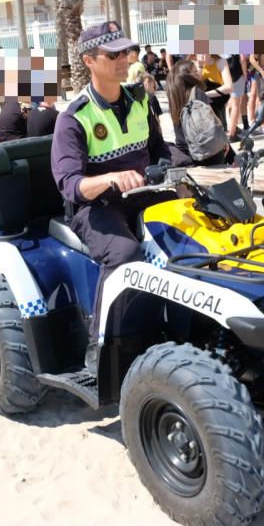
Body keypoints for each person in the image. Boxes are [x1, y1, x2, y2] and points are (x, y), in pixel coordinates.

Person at [51, 20, 173, 370]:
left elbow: (159, 150)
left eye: (128, 52)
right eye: (114, 53)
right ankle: (101, 343)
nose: (126, 59)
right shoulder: (74, 118)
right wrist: (111, 178)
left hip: (144, 195)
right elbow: (70, 185)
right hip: (95, 207)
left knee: (192, 230)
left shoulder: (140, 100)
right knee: (125, 251)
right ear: (90, 61)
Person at [164, 58, 232, 166]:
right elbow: (214, 121)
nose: (199, 73)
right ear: (188, 77)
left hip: (187, 152)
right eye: (195, 72)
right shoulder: (197, 92)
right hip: (208, 152)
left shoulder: (174, 98)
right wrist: (224, 143)